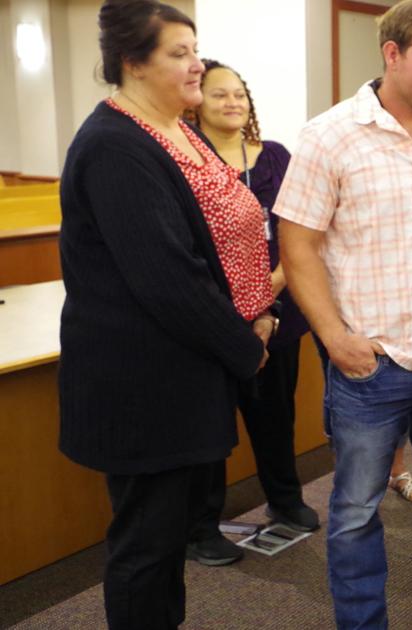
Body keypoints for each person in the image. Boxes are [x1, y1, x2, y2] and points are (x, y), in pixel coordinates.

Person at [274, 1, 412, 628]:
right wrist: (333, 336)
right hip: (371, 361)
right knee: (354, 510)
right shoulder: (330, 136)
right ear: (393, 54)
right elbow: (297, 244)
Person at [57, 1, 273, 627]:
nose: (195, 64)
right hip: (140, 385)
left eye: (194, 49)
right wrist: (244, 348)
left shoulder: (175, 128)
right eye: (178, 53)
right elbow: (168, 279)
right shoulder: (114, 146)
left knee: (166, 540)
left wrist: (260, 313)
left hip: (184, 372)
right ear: (133, 62)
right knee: (146, 548)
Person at [183, 59, 319, 567]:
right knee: (212, 425)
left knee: (275, 415)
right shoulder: (187, 162)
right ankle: (201, 526)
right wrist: (232, 304)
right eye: (219, 95)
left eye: (239, 93)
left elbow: (298, 231)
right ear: (197, 102)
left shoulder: (276, 157)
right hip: (214, 318)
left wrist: (266, 292)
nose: (232, 102)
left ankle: (285, 499)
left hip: (278, 307)